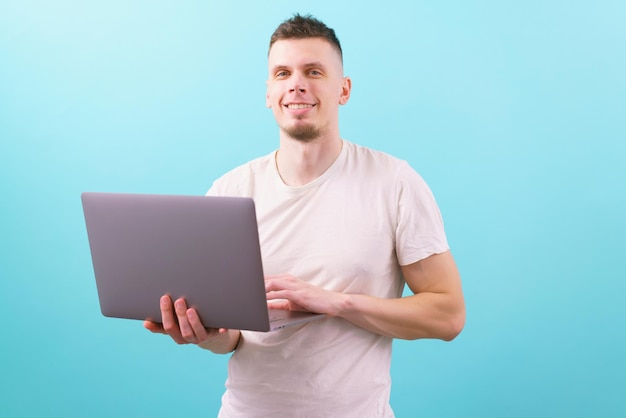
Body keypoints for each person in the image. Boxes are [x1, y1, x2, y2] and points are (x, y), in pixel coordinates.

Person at [145, 13, 465, 417]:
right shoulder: (230, 191)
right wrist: (205, 334)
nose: (296, 83)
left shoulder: (394, 182)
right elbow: (232, 340)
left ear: (343, 90)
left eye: (314, 71)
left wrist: (336, 302)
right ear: (268, 92)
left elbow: (449, 315)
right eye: (282, 73)